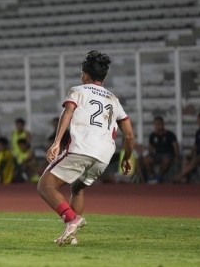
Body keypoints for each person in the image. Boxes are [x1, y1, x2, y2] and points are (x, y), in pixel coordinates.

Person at [37, 50, 134, 246]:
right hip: (104, 155)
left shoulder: (78, 90)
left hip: (82, 148)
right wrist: (126, 158)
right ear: (104, 77)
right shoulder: (114, 100)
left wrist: (56, 142)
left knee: (45, 185)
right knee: (78, 187)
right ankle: (72, 235)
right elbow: (129, 135)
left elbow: (67, 113)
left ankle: (72, 219)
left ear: (85, 75)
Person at [141, 116, 180, 183]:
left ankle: (159, 176)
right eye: (155, 124)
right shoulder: (152, 135)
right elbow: (150, 149)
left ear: (163, 124)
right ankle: (151, 177)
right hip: (157, 155)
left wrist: (177, 156)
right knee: (146, 159)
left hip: (168, 154)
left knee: (166, 160)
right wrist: (147, 154)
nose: (157, 126)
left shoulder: (170, 134)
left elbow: (175, 146)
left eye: (159, 123)